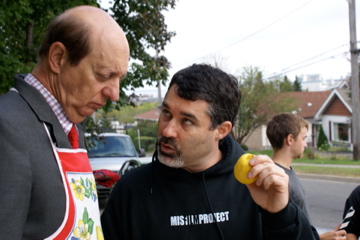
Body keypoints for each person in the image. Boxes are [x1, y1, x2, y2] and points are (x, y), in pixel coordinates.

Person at [101, 64, 319, 240]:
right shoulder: (131, 190)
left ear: (221, 131)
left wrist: (280, 215)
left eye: (186, 121)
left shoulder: (258, 184)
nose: (167, 129)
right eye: (166, 113)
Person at [0, 5, 129, 239]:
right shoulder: (6, 127)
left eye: (119, 78)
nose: (114, 94)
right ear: (58, 58)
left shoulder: (72, 124)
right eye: (103, 75)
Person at [266, 113, 347, 240]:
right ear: (290, 139)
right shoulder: (275, 180)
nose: (305, 144)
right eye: (303, 139)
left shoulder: (286, 172)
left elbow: (296, 229)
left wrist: (320, 238)